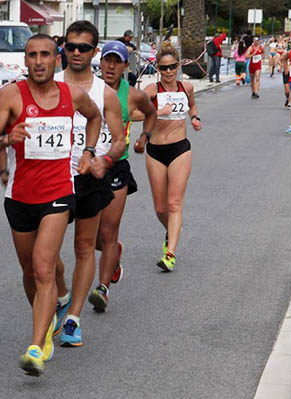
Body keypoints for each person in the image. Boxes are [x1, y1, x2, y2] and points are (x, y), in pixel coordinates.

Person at [0, 33, 102, 376]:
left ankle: (36, 345)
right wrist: (7, 138)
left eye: (45, 54)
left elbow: (95, 118)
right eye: (32, 55)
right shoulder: (10, 96)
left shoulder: (72, 94)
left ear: (56, 58)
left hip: (58, 193)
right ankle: (47, 320)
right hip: (19, 197)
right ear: (25, 59)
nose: (38, 61)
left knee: (44, 267)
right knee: (29, 273)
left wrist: (89, 151)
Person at [52, 21, 125, 347]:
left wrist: (103, 160)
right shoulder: (46, 84)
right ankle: (63, 292)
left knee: (84, 247)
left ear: (94, 51)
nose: (76, 52)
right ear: (63, 48)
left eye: (83, 47)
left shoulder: (105, 94)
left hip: (88, 179)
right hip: (51, 178)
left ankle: (73, 318)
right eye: (71, 46)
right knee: (46, 252)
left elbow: (120, 140)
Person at [88, 40, 157, 312]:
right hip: (89, 167)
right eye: (107, 60)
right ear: (100, 62)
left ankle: (102, 289)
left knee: (108, 229)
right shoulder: (88, 91)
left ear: (125, 66)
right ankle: (114, 251)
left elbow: (150, 113)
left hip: (117, 166)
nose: (111, 66)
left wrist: (145, 137)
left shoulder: (132, 94)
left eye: (117, 61)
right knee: (91, 237)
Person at [142, 41, 202, 272]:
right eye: (163, 68)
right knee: (160, 208)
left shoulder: (186, 87)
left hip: (179, 149)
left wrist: (195, 119)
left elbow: (193, 107)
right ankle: (173, 230)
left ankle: (170, 253)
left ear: (178, 66)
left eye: (172, 67)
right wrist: (157, 112)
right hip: (155, 151)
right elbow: (136, 114)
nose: (168, 72)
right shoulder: (151, 91)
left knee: (174, 203)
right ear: (157, 68)